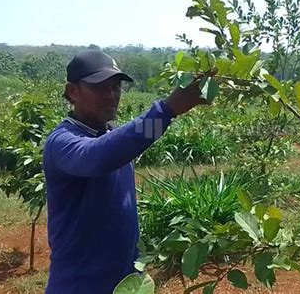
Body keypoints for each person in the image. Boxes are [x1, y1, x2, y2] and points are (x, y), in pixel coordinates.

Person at [43, 49, 210, 293]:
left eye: (115, 87)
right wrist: (166, 110)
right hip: (80, 284)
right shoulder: (63, 142)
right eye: (99, 87)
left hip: (126, 282)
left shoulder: (111, 135)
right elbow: (98, 157)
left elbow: (123, 145)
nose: (110, 96)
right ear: (72, 91)